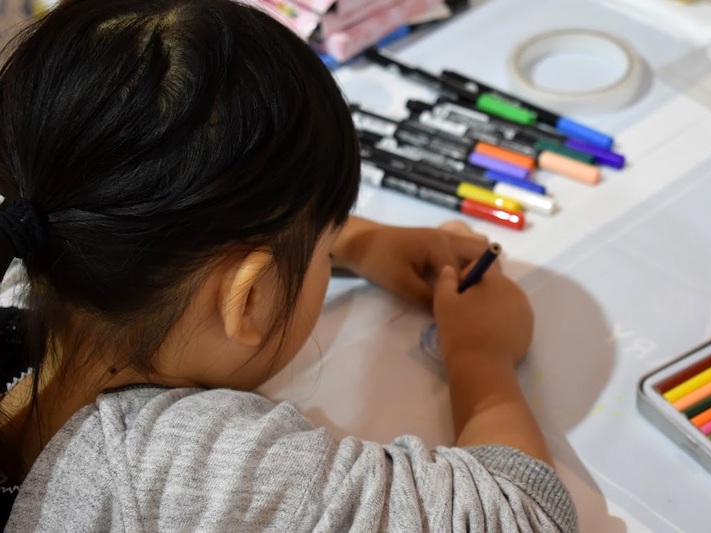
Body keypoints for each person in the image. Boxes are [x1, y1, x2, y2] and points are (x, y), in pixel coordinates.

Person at [0, 0, 578, 531]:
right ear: (247, 301)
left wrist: (353, 242)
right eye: (323, 243)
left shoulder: (37, 247)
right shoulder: (186, 464)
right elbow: (520, 517)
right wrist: (483, 358)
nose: (328, 252)